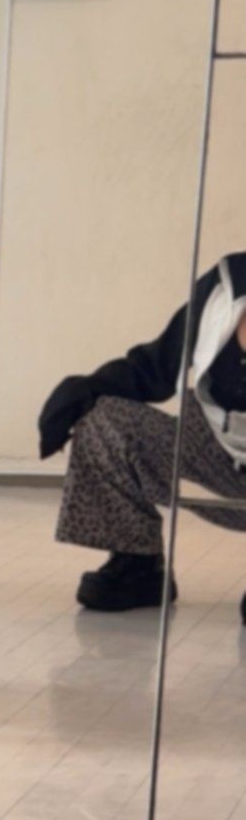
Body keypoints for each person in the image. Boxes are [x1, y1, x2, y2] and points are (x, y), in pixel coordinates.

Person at [39, 252, 246, 618]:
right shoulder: (226, 285)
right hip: (225, 459)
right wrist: (85, 389)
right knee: (106, 420)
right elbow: (157, 365)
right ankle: (138, 566)